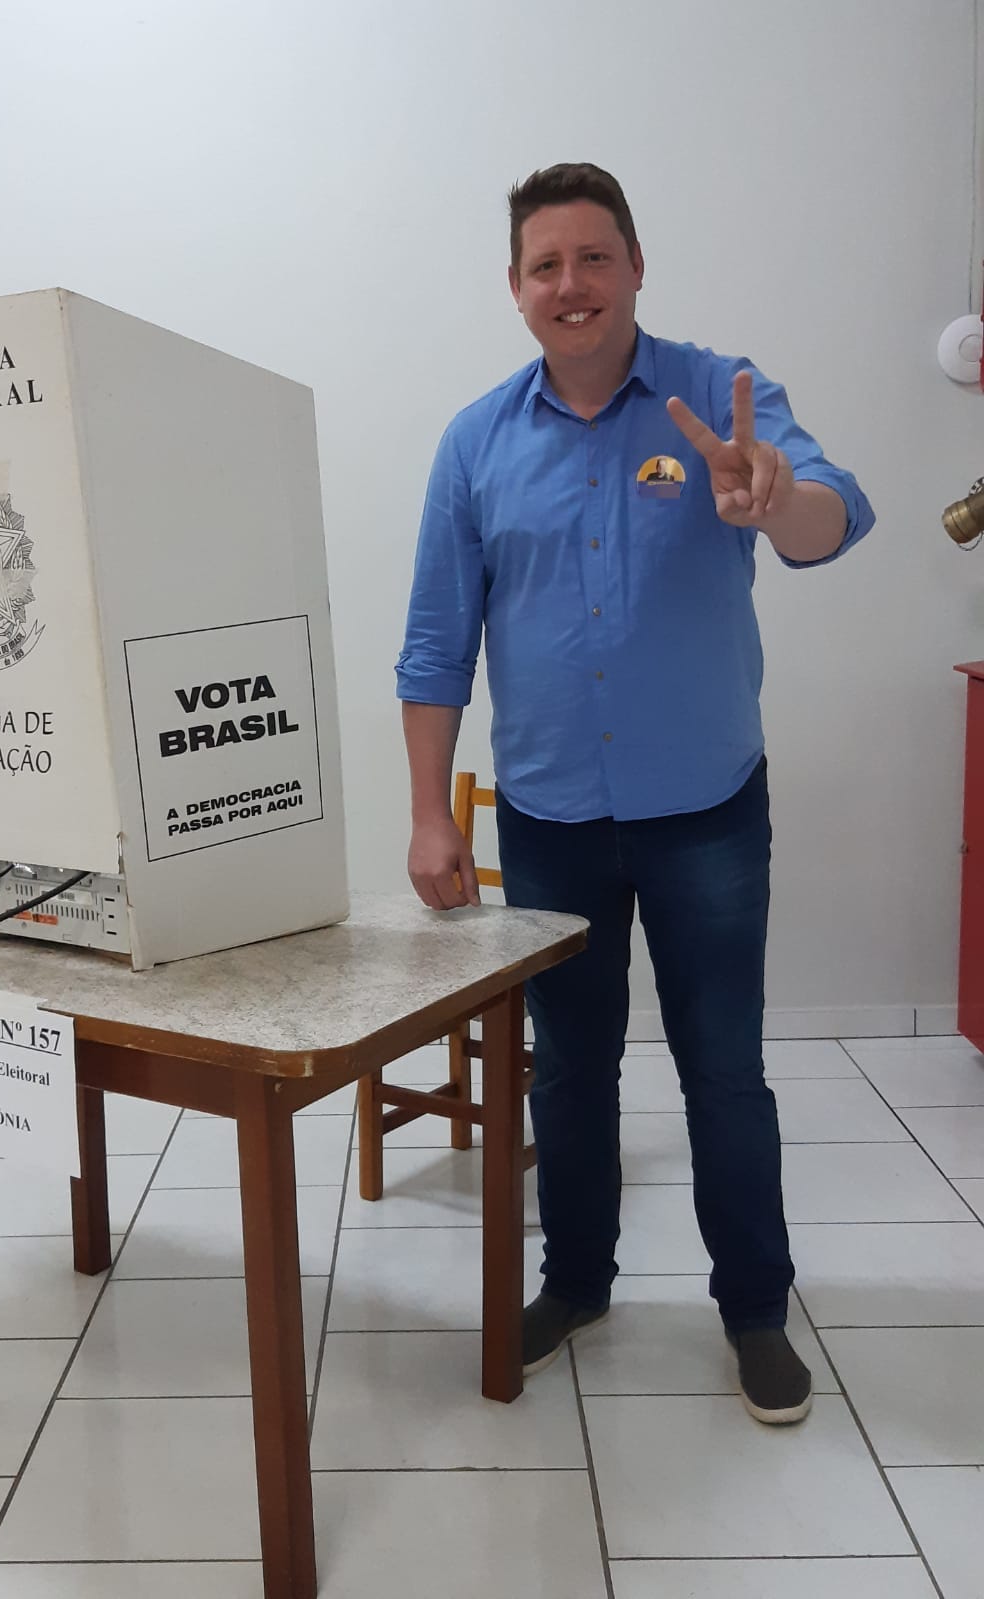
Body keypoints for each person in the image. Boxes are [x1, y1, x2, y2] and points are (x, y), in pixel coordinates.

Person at [395, 162, 873, 1426]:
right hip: (550, 822)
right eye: (546, 265)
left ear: (636, 266)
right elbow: (437, 644)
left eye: (594, 257)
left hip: (705, 810)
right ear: (516, 289)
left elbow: (835, 519)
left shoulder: (722, 397)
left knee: (725, 1069)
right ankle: (578, 1281)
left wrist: (776, 500)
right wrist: (431, 812)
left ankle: (754, 1309)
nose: (572, 284)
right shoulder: (476, 442)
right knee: (570, 1071)